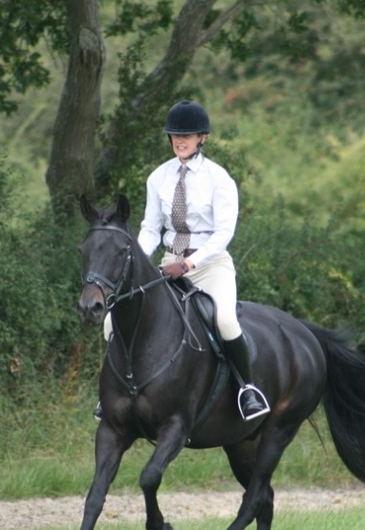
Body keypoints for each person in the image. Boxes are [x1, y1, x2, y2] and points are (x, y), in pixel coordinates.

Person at [100, 100, 270, 421]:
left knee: (225, 321)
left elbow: (223, 233)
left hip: (210, 265)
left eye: (187, 136)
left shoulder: (219, 179)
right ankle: (115, 392)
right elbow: (151, 229)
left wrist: (190, 264)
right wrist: (137, 261)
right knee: (112, 320)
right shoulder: (158, 177)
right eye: (175, 135)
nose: (180, 141)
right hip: (168, 264)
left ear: (202, 138)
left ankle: (246, 390)